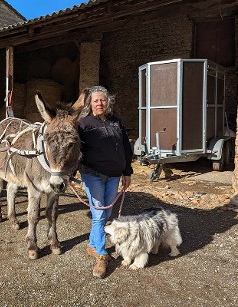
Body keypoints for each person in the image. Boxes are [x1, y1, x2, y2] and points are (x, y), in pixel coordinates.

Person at [78, 85, 133, 279]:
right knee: (100, 212)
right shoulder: (83, 124)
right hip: (92, 174)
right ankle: (101, 255)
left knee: (106, 212)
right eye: (96, 100)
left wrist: (127, 172)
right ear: (90, 104)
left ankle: (92, 244)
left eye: (103, 100)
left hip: (114, 175)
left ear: (108, 102)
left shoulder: (116, 122)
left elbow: (126, 147)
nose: (100, 103)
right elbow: (73, 150)